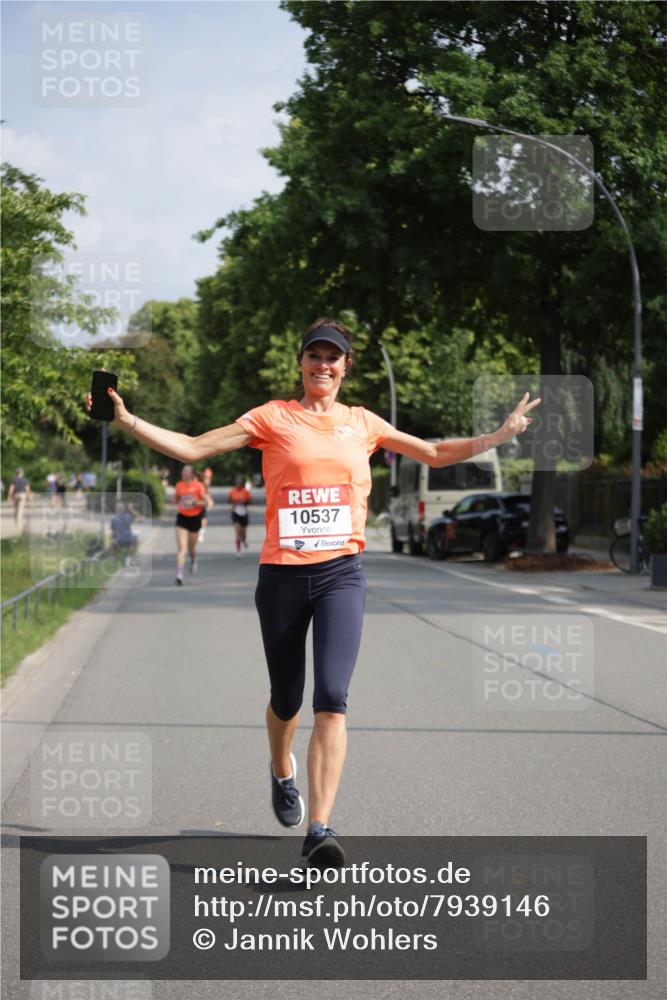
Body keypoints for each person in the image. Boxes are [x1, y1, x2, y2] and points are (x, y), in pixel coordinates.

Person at [87, 317, 538, 866]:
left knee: (332, 700)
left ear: (347, 366)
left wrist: (498, 436)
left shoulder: (363, 423)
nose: (323, 365)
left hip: (340, 574)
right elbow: (191, 449)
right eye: (314, 356)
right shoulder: (272, 417)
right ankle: (282, 770)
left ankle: (320, 828)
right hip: (281, 576)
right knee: (286, 699)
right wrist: (127, 418)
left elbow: (435, 453)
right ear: (301, 363)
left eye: (333, 357)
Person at [228, 474, 252, 557]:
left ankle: (244, 539)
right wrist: (234, 502)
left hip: (244, 513)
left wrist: (244, 502)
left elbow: (249, 501)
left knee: (243, 532)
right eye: (236, 483)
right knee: (238, 532)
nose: (238, 484)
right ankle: (238, 550)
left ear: (242, 484)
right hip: (235, 512)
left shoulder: (246, 492)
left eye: (239, 483)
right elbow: (229, 500)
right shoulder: (232, 491)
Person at [8, 467, 31, 532]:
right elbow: (27, 489)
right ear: (22, 473)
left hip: (15, 495)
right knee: (20, 510)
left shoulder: (13, 480)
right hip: (22, 495)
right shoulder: (25, 480)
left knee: (16, 509)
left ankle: (16, 523)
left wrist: (9, 496)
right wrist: (29, 498)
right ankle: (19, 524)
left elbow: (11, 488)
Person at [197, 469, 213, 543]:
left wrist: (209, 501)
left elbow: (207, 492)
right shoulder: (197, 482)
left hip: (203, 501)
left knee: (203, 517)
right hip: (196, 501)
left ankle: (201, 532)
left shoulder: (205, 483)